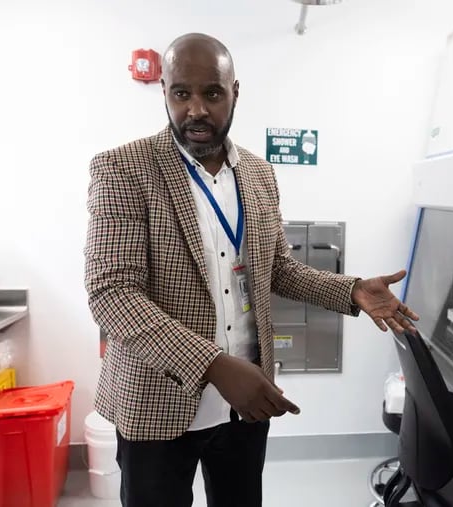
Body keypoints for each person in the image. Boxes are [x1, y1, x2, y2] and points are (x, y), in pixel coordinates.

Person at [83, 32, 419, 507]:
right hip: (156, 402)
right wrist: (214, 366)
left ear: (234, 93)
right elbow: (112, 294)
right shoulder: (125, 168)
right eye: (182, 93)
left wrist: (351, 291)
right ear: (164, 91)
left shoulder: (259, 174)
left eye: (212, 93)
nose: (196, 109)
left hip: (246, 403)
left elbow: (276, 268)